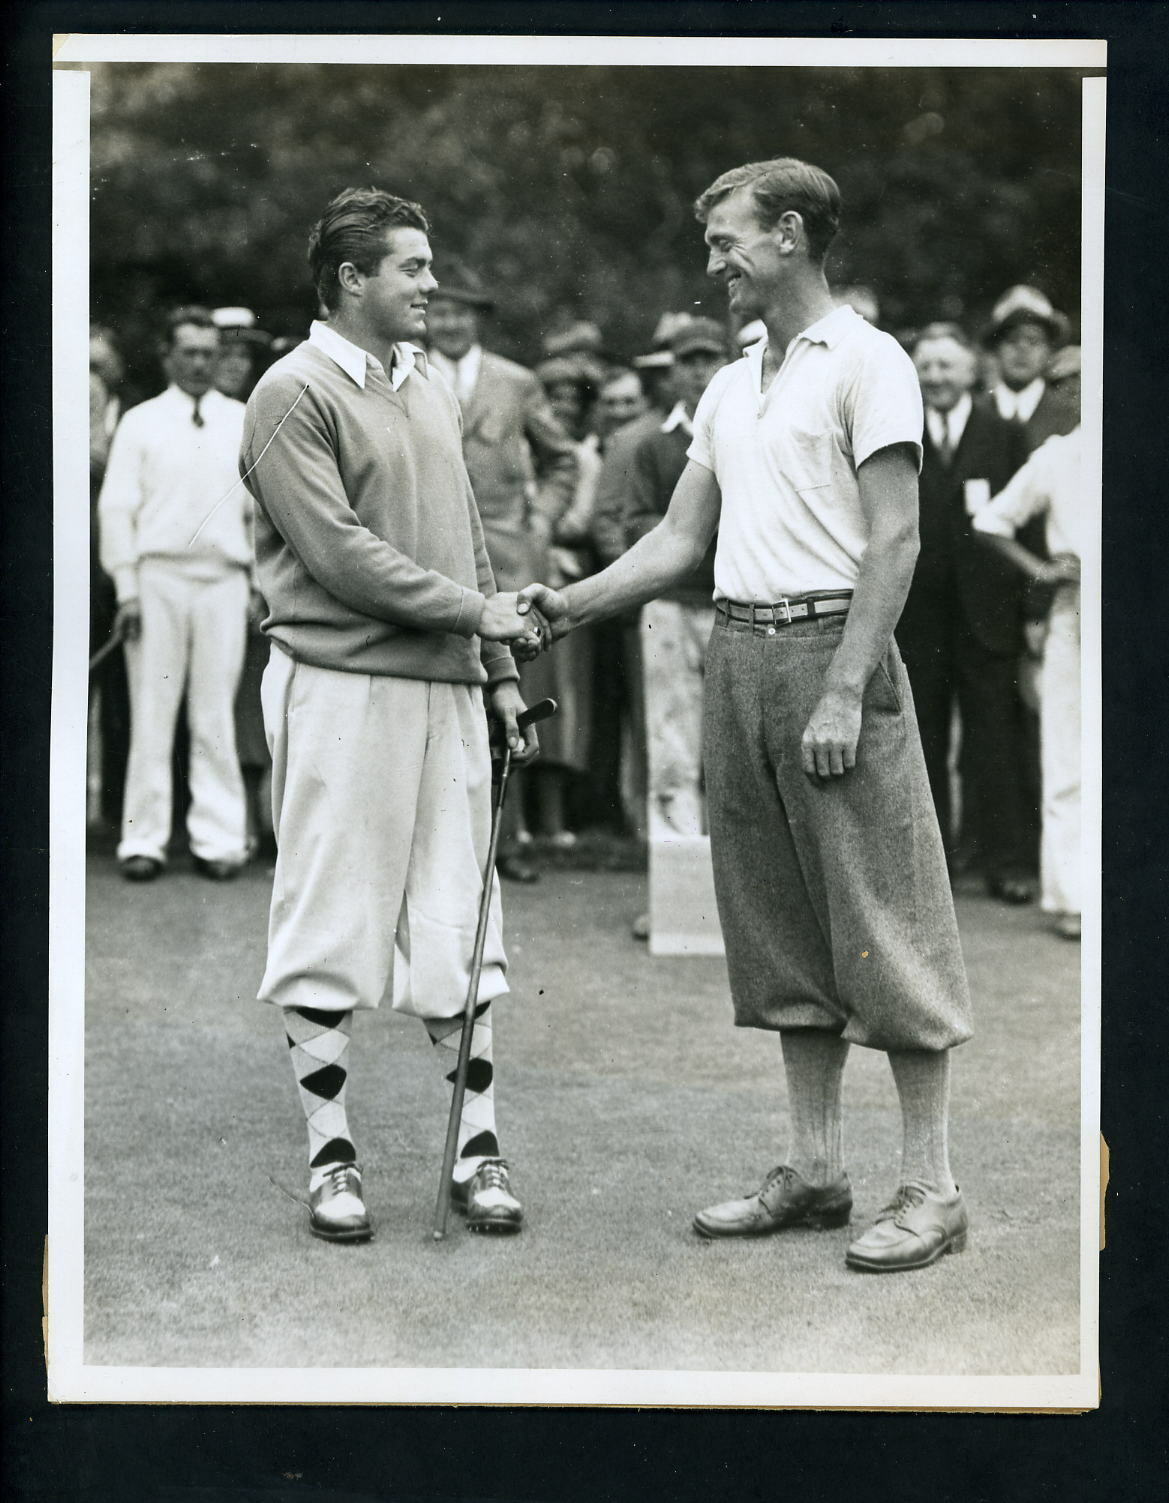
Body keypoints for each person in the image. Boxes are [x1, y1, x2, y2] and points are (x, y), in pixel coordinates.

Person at [518, 157, 973, 1273]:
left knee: (883, 918)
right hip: (737, 656)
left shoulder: (867, 362)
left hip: (833, 658)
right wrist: (563, 607)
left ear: (784, 235)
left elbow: (896, 540)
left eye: (723, 240)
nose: (710, 262)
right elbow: (679, 541)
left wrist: (840, 684)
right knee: (775, 928)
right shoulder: (729, 384)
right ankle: (815, 1172)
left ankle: (931, 1188)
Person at [239, 188, 543, 1242]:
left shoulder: (426, 387)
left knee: (458, 918)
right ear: (349, 281)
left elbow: (463, 535)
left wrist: (498, 669)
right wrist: (478, 613)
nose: (430, 283)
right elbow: (340, 558)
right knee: (330, 917)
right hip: (338, 683)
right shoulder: (291, 391)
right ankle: (331, 1160)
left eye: (429, 263)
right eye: (410, 266)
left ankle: (476, 1148)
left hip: (448, 689)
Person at [425, 264, 578, 881]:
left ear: (479, 319)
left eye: (463, 312)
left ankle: (507, 842)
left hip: (508, 556)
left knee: (508, 691)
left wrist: (540, 521)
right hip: (435, 551)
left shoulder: (516, 382)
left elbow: (562, 457)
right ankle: (450, 841)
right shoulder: (406, 372)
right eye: (441, 311)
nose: (451, 322)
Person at [97, 307, 252, 882]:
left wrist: (258, 583)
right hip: (158, 580)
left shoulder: (242, 420)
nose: (199, 363)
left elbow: (258, 513)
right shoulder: (141, 422)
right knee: (153, 713)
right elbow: (117, 509)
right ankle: (145, 841)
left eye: (209, 353)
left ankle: (219, 840)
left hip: (223, 582)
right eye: (188, 352)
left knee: (213, 716)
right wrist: (128, 588)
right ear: (167, 355)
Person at [896, 323, 1035, 899]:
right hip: (919, 616)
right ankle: (934, 866)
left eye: (945, 366)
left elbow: (1028, 522)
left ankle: (1005, 863)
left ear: (972, 371)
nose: (935, 378)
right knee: (920, 736)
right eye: (925, 367)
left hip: (988, 613)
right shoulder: (898, 428)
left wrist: (1029, 610)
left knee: (992, 739)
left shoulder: (1003, 432)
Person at [974, 428, 1085, 941]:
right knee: (1067, 755)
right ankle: (1072, 898)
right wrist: (1041, 569)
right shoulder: (1061, 454)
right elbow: (992, 519)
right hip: (1078, 612)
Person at [625, 317, 727, 840]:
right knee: (671, 742)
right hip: (667, 604)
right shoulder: (655, 445)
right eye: (688, 361)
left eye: (709, 359)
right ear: (673, 371)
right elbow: (639, 521)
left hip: (732, 604)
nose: (699, 371)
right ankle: (677, 894)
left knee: (732, 745)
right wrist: (687, 532)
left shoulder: (742, 431)